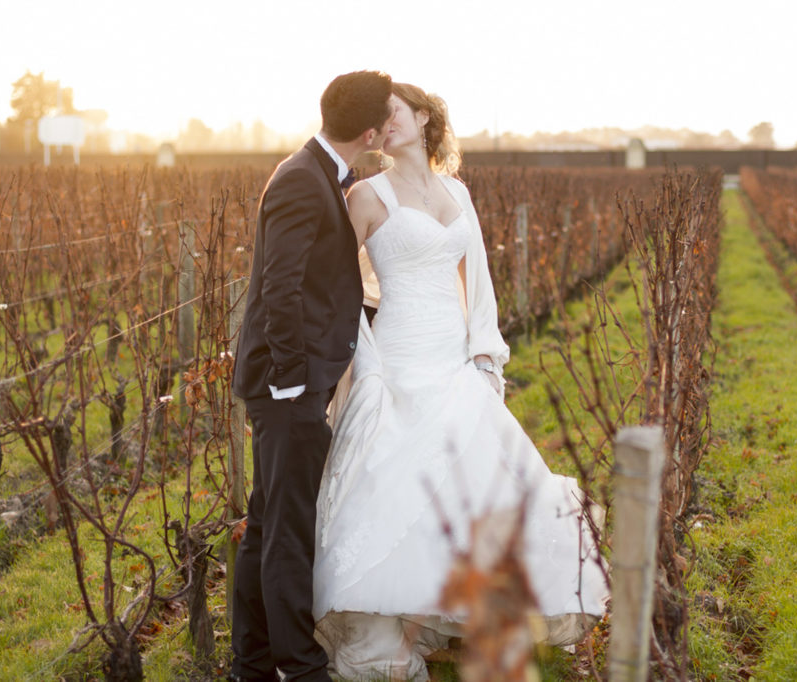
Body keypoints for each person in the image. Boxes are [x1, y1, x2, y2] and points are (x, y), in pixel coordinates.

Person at [311, 83, 608, 681]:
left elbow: (479, 286)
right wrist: (364, 366)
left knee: (467, 487)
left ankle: (432, 621)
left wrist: (483, 356)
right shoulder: (365, 195)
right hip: (397, 361)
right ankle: (392, 625)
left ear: (424, 118)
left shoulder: (459, 193)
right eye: (376, 118)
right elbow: (338, 293)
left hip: (453, 361)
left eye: (392, 112)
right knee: (397, 489)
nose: (382, 124)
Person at [230, 70, 395, 682]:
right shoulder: (303, 180)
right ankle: (298, 666)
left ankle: (250, 660)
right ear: (373, 131)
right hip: (285, 387)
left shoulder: (319, 173)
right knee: (288, 532)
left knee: (268, 523)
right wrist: (294, 380)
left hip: (292, 381)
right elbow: (280, 286)